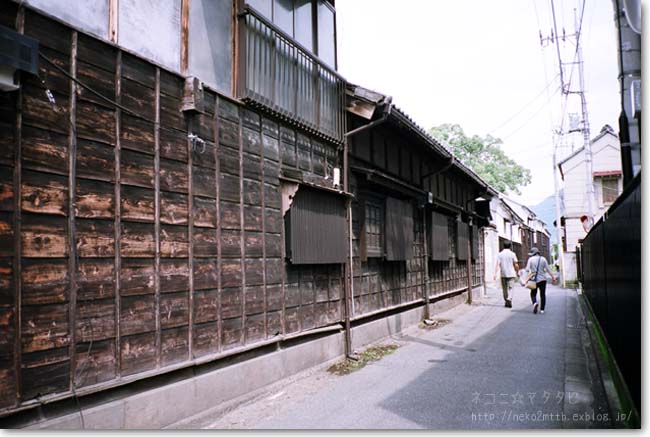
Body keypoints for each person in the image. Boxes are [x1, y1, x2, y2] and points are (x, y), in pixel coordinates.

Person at [524, 247, 556, 314]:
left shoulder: (530, 259)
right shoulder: (543, 259)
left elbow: (527, 269)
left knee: (533, 293)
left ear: (533, 253)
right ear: (538, 253)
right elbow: (548, 269)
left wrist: (526, 278)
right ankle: (542, 310)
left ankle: (535, 303)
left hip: (534, 280)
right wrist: (553, 277)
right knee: (542, 294)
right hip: (543, 279)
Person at [493, 241, 519, 308]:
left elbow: (497, 264)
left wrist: (495, 274)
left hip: (503, 274)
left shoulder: (500, 254)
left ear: (503, 246)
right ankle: (509, 298)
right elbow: (516, 264)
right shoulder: (513, 254)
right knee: (511, 287)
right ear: (510, 246)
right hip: (511, 273)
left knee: (504, 289)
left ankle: (506, 301)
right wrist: (517, 271)